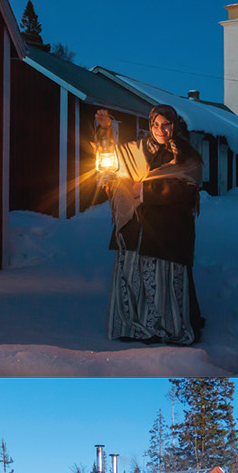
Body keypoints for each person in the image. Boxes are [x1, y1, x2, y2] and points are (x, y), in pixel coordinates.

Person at [94, 105, 205, 345]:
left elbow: (187, 191)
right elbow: (109, 155)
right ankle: (133, 326)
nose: (160, 129)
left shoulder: (187, 155)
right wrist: (104, 129)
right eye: (156, 124)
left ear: (174, 125)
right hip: (135, 228)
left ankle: (165, 326)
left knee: (162, 281)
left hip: (167, 231)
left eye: (166, 124)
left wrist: (145, 190)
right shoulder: (137, 149)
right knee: (133, 278)